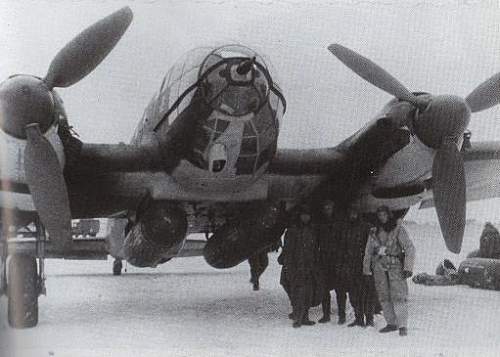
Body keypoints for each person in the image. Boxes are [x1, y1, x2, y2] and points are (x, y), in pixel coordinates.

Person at [363, 206, 415, 336]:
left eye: (384, 215)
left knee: (399, 296)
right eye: (380, 215)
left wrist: (408, 267)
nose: (382, 217)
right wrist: (366, 269)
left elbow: (409, 248)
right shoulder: (374, 232)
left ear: (388, 215)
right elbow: (368, 251)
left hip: (395, 267)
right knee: (384, 296)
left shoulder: (398, 230)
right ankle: (391, 323)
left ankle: (402, 326)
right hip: (379, 267)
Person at [281, 205, 322, 328]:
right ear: (299, 216)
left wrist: (315, 265)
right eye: (303, 215)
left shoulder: (312, 230)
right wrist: (289, 267)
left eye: (308, 215)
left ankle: (305, 317)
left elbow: (315, 249)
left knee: (307, 294)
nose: (305, 217)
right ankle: (297, 318)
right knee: (297, 293)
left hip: (309, 267)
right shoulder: (292, 231)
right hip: (296, 267)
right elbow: (288, 250)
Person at [338, 207, 376, 328]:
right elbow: (342, 247)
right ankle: (358, 318)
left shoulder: (367, 227)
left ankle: (369, 319)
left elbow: (373, 246)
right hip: (351, 266)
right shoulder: (345, 229)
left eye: (355, 213)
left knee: (367, 293)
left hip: (364, 266)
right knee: (354, 294)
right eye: (351, 213)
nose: (353, 215)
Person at [316, 200, 347, 325]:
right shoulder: (321, 223)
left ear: (333, 208)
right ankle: (326, 315)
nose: (327, 209)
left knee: (340, 290)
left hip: (337, 260)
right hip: (324, 260)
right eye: (325, 207)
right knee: (324, 290)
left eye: (329, 207)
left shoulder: (339, 223)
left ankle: (342, 315)